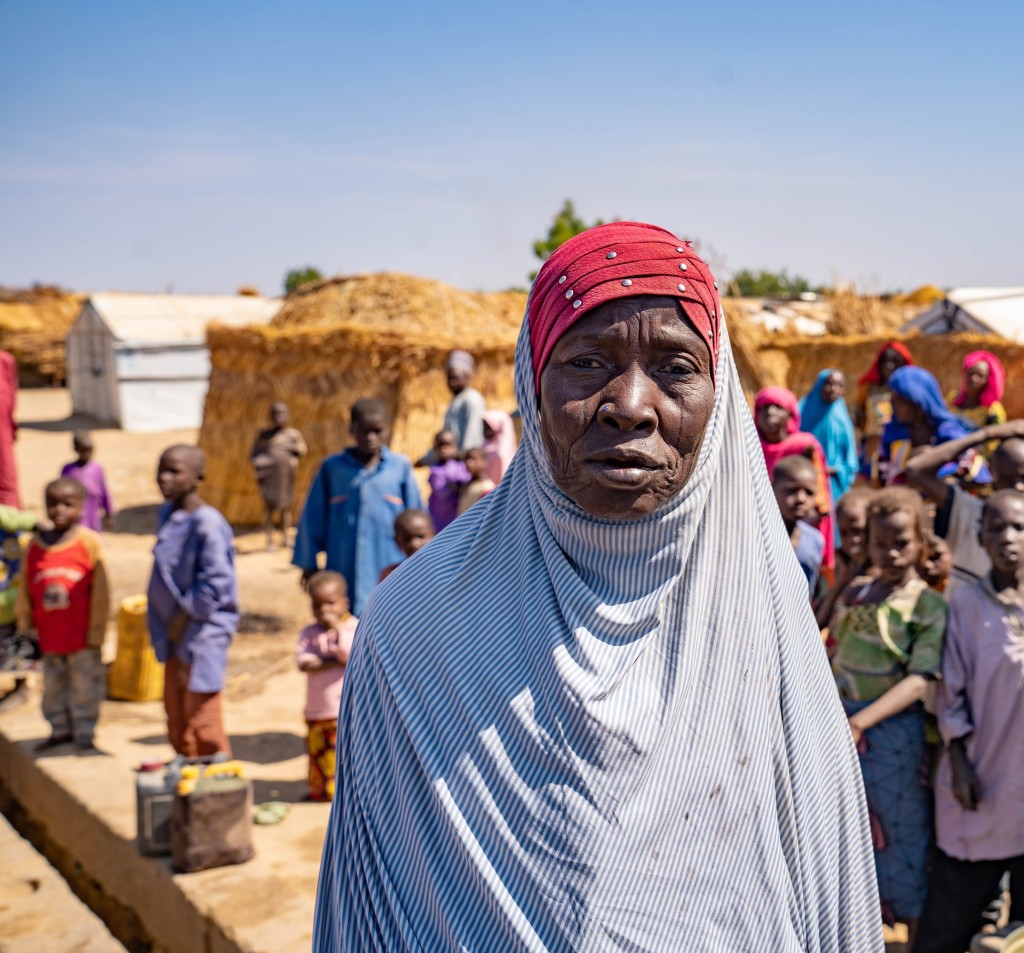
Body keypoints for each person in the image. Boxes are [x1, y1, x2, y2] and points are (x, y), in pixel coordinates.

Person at [313, 222, 881, 951]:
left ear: (719, 392)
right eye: (586, 361)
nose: (631, 405)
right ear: (531, 381)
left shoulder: (762, 617)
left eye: (676, 366)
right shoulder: (412, 626)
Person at [830, 487, 946, 935]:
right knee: (852, 838)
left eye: (901, 542)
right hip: (840, 726)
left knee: (903, 838)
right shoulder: (859, 593)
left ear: (920, 540)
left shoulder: (927, 605)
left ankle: (912, 935)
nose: (891, 552)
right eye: (881, 544)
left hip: (891, 736)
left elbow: (920, 678)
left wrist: (860, 720)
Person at [914, 490, 1024, 953]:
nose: (1008, 537)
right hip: (981, 781)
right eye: (996, 528)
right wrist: (958, 761)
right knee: (949, 924)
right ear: (979, 537)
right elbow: (949, 692)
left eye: (1018, 527)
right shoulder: (965, 606)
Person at [148, 446, 238, 758]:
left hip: (202, 630)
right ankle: (189, 778)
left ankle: (218, 782)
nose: (163, 478)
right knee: (176, 711)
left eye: (174, 471)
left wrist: (184, 616)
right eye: (161, 470)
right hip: (173, 633)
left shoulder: (207, 522)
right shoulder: (169, 513)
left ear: (198, 477)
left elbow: (216, 580)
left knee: (202, 714)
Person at [293, 399, 421, 616]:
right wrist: (309, 563)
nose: (370, 438)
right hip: (343, 565)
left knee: (387, 619)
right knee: (344, 626)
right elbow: (312, 517)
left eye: (377, 431)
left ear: (387, 430)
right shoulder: (332, 469)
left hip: (389, 565)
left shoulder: (400, 468)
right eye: (363, 431)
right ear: (352, 429)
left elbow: (417, 516)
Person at [17, 478, 109, 752]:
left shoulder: (89, 543)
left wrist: (96, 633)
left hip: (81, 637)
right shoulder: (34, 547)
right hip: (49, 637)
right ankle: (59, 729)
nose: (59, 510)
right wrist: (26, 627)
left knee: (84, 688)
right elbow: (26, 589)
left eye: (67, 504)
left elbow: (101, 594)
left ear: (81, 507)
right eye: (53, 503)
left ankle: (84, 733)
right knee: (53, 688)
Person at [905, 420, 1024, 596]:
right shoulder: (967, 510)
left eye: (1023, 476)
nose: (1018, 486)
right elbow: (915, 469)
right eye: (1007, 477)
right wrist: (986, 435)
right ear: (992, 473)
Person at [755, 386, 835, 569]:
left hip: (799, 523)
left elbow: (819, 494)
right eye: (764, 407)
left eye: (777, 407)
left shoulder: (804, 445)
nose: (770, 412)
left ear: (790, 414)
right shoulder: (747, 444)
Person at [296, 571, 358, 802]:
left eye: (331, 603)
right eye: (317, 605)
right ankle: (318, 791)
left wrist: (337, 630)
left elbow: (349, 654)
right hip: (317, 709)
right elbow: (303, 662)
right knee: (317, 753)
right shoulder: (309, 632)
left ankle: (339, 796)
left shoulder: (352, 628)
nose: (324, 610)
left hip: (342, 710)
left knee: (340, 755)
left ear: (345, 602)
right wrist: (331, 661)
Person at [875, 365, 984, 487]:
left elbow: (971, 470)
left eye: (899, 401)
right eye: (892, 401)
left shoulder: (948, 431)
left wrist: (932, 461)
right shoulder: (893, 433)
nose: (893, 406)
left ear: (918, 402)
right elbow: (882, 474)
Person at [0, 504, 41, 713]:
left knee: (18, 649)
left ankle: (23, 689)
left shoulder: (3, 516)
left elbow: (23, 521)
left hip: (10, 600)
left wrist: (43, 529)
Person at [250, 402, 308, 551]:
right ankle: (269, 540)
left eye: (282, 414)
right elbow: (254, 454)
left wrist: (289, 450)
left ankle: (286, 537)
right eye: (276, 414)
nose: (279, 417)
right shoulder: (264, 436)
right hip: (270, 477)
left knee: (286, 506)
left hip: (286, 475)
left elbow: (302, 450)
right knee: (269, 507)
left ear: (288, 416)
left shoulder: (292, 434)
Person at [800, 369, 859, 504]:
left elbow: (850, 460)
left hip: (835, 485)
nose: (834, 389)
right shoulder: (802, 413)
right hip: (807, 479)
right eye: (829, 384)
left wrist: (836, 470)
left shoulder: (843, 421)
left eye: (840, 386)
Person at [853, 341, 914, 467]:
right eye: (886, 362)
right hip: (873, 444)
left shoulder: (909, 391)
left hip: (900, 443)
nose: (890, 366)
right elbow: (858, 413)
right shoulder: (869, 389)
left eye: (895, 362)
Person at [772, 454, 825, 598]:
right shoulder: (759, 536)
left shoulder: (815, 539)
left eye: (809, 492)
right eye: (791, 490)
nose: (801, 499)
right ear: (771, 489)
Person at [60, 431, 115, 533]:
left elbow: (104, 491)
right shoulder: (67, 469)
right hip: (75, 517)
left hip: (93, 515)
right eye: (84, 450)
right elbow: (61, 494)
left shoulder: (97, 469)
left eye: (90, 450)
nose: (87, 454)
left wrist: (109, 513)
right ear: (75, 449)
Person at [948, 350, 1007, 432]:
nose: (973, 379)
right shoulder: (952, 398)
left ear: (988, 380)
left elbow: (994, 441)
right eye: (971, 373)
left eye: (980, 376)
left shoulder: (992, 410)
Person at [427, 430, 471, 533]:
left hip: (459, 516)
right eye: (440, 446)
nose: (444, 449)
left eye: (448, 445)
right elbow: (442, 493)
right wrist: (457, 487)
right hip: (440, 518)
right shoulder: (435, 470)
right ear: (435, 448)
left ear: (455, 447)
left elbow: (468, 483)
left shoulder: (461, 466)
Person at [443, 350, 486, 453]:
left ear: (467, 377)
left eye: (456, 378)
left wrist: (465, 458)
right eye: (449, 378)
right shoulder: (455, 401)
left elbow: (472, 438)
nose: (452, 382)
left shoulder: (472, 399)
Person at [378, 509, 434, 583]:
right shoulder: (391, 575)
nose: (414, 544)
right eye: (407, 539)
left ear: (433, 534)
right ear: (397, 542)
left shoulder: (441, 567)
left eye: (420, 536)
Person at [481, 410, 517, 485]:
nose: (485, 429)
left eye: (488, 426)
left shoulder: (504, 450)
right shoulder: (485, 444)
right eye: (484, 426)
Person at [457, 447, 495, 516]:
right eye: (467, 459)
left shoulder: (487, 487)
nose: (469, 463)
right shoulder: (467, 483)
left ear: (484, 462)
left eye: (473, 459)